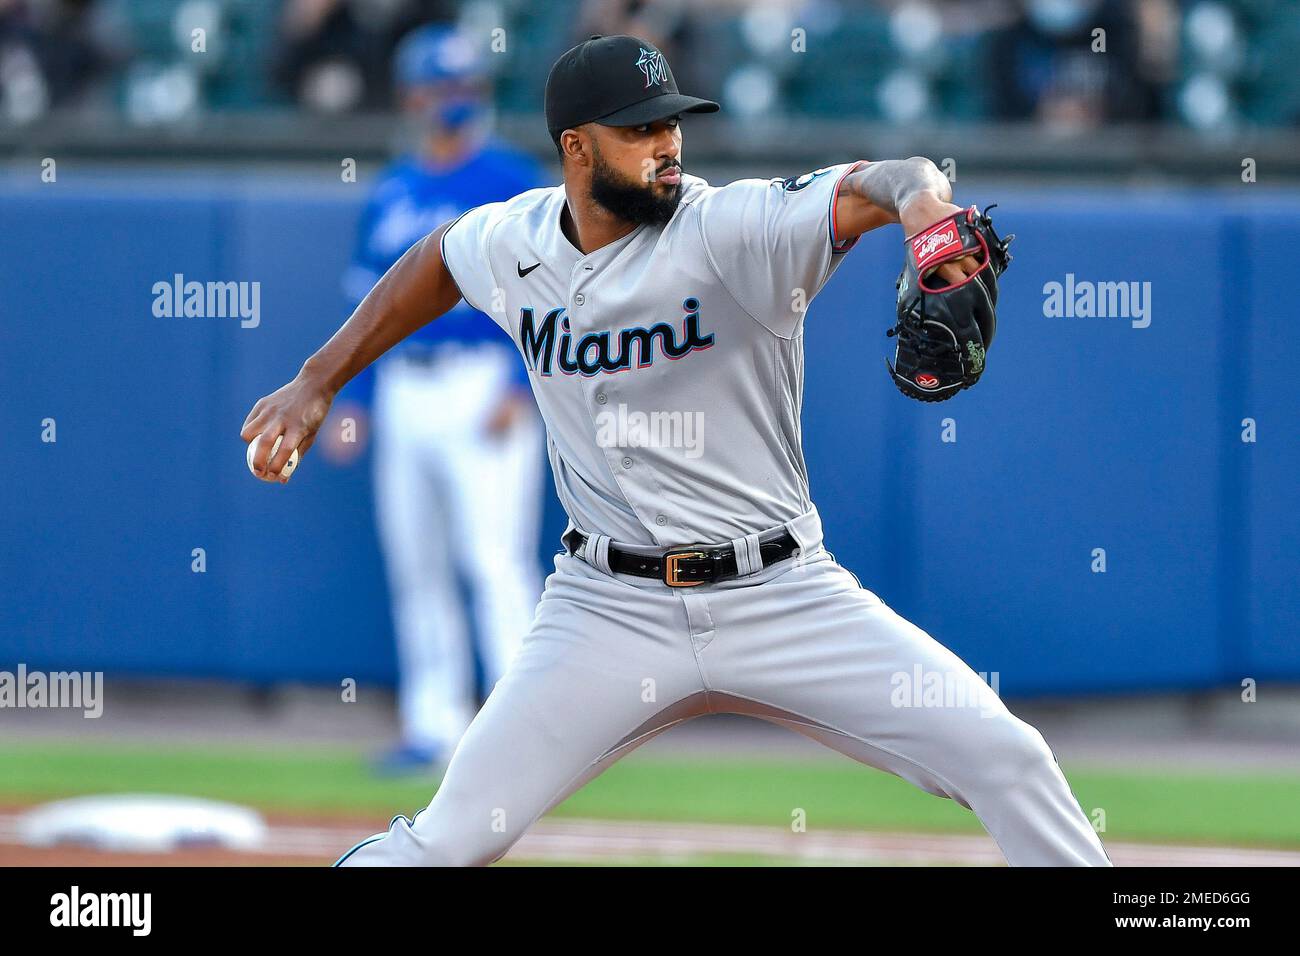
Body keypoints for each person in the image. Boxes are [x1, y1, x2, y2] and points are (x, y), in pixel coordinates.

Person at [243, 34, 1111, 866]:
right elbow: (437, 259)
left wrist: (923, 205)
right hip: (604, 611)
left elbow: (886, 180)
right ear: (577, 148)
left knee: (1011, 760)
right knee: (448, 841)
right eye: (641, 128)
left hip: (782, 595)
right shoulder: (514, 243)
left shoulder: (733, 230)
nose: (667, 145)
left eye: (672, 122)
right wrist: (318, 378)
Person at [321, 23, 545, 775]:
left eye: (465, 85)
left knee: (495, 563)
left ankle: (522, 735)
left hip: (481, 383)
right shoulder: (393, 188)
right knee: (417, 565)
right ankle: (433, 725)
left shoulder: (510, 175)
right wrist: (350, 397)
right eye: (441, 85)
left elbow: (551, 294)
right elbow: (368, 309)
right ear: (415, 94)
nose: (454, 99)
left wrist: (523, 383)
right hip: (406, 388)